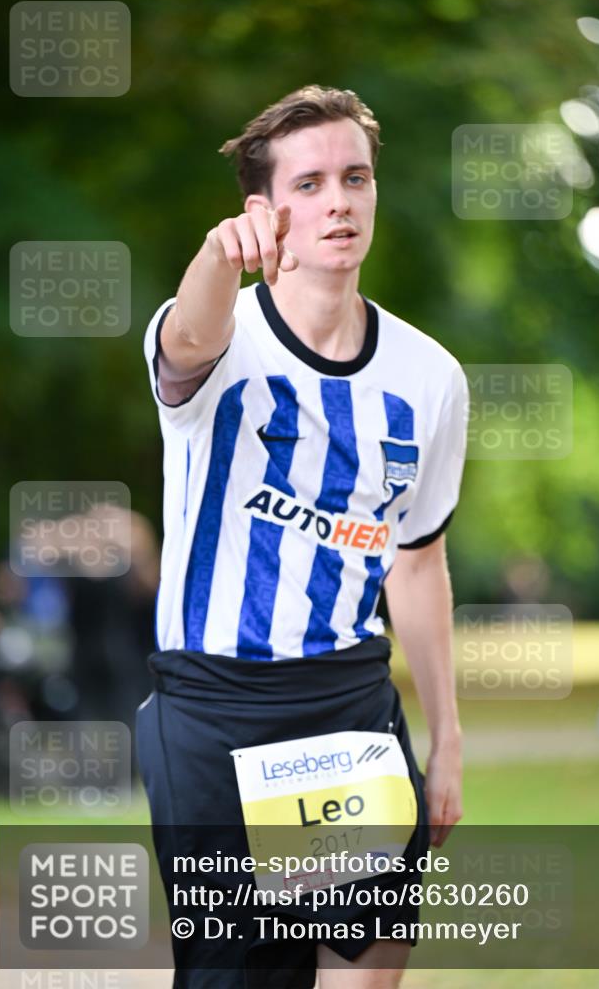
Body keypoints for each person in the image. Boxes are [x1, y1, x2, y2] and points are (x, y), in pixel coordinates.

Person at [137, 84, 469, 989]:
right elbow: (188, 337)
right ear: (263, 209)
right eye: (311, 182)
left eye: (354, 178)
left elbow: (419, 557)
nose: (338, 201)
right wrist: (216, 256)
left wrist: (446, 737)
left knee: (364, 966)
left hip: (343, 704)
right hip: (213, 707)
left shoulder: (428, 377)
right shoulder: (222, 337)